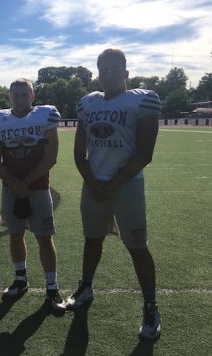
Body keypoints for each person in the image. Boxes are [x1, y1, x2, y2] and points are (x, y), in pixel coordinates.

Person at [67, 48, 162, 339]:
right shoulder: (88, 103)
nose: (107, 73)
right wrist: (94, 182)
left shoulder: (142, 99)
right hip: (94, 183)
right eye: (102, 68)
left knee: (137, 245)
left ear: (126, 72)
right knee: (91, 240)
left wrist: (114, 183)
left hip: (127, 184)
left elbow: (145, 153)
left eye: (113, 68)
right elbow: (79, 153)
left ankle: (150, 305)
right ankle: (86, 287)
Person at [0, 78, 65, 312]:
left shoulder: (45, 115)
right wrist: (13, 183)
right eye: (15, 94)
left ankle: (52, 286)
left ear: (33, 96)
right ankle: (20, 280)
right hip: (11, 187)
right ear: (9, 96)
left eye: (24, 94)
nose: (19, 98)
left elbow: (51, 157)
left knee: (44, 237)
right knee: (15, 234)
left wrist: (26, 182)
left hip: (38, 187)